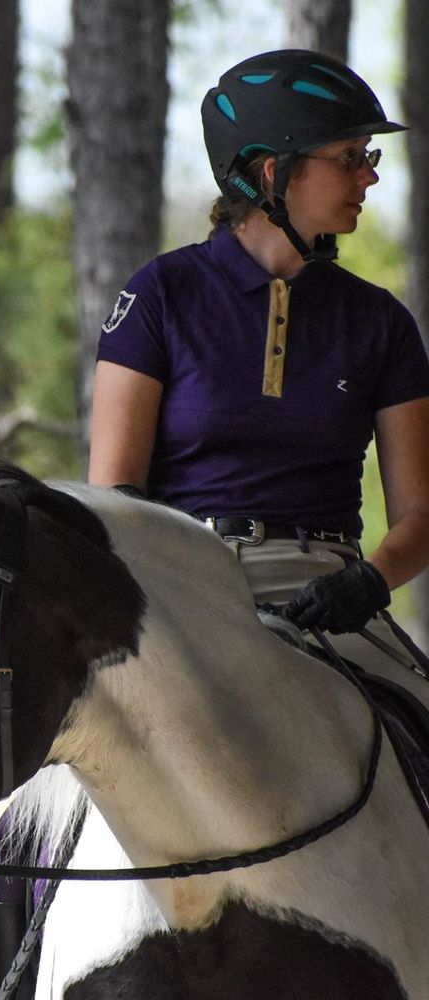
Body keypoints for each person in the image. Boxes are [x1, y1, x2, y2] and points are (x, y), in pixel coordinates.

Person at [88, 49, 429, 678]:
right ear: (275, 173)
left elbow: (419, 515)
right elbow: (116, 499)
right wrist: (170, 588)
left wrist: (370, 582)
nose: (370, 178)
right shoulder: (159, 296)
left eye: (368, 158)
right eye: (350, 159)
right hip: (180, 589)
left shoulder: (382, 323)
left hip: (331, 596)